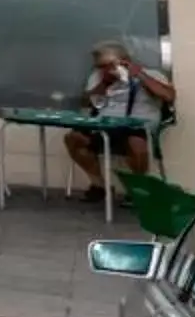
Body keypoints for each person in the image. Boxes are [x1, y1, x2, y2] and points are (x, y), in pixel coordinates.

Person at [64, 39, 172, 199]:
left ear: (124, 61)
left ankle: (139, 189)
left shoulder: (152, 75)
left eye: (107, 65)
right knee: (73, 139)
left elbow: (168, 96)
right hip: (106, 124)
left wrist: (140, 76)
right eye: (99, 66)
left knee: (136, 143)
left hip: (138, 125)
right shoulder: (99, 78)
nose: (103, 70)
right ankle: (99, 185)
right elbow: (86, 102)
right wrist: (104, 84)